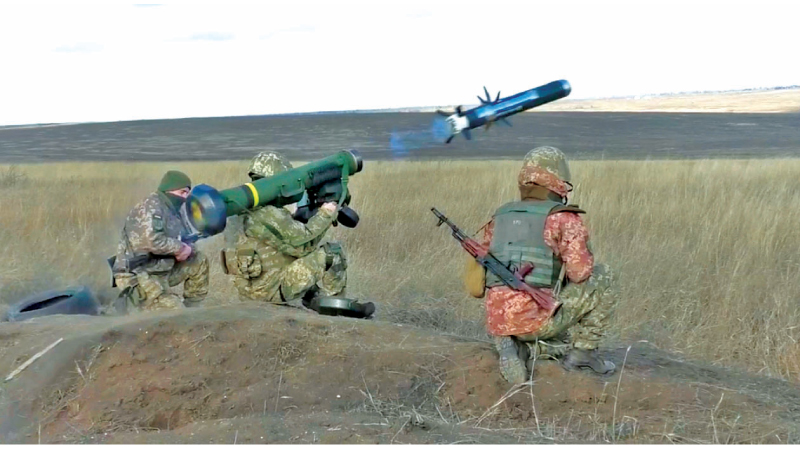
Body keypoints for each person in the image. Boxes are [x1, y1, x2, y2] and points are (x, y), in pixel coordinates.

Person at [464, 146, 617, 384]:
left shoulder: (500, 216)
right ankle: (583, 351)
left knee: (544, 325)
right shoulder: (563, 217)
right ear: (554, 178)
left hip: (499, 320)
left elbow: (477, 281)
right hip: (536, 320)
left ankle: (516, 345)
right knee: (603, 275)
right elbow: (580, 273)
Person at [223, 151, 351, 310]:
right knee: (333, 252)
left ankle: (315, 299)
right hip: (269, 292)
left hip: (252, 290)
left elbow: (278, 238)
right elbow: (304, 245)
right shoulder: (266, 213)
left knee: (290, 257)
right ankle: (336, 308)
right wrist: (326, 212)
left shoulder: (242, 209)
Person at [111, 170, 209, 312]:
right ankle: (134, 305)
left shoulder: (174, 210)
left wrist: (188, 249)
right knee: (175, 312)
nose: (185, 197)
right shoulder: (151, 207)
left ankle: (194, 309)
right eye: (183, 192)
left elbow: (185, 237)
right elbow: (152, 241)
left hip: (161, 270)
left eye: (187, 193)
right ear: (170, 190)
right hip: (138, 274)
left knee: (199, 260)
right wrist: (180, 248)